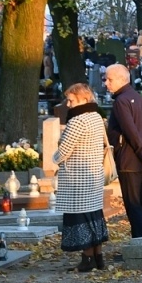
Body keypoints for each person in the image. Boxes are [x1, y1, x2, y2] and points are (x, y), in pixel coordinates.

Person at [55, 82, 110, 271]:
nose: (68, 104)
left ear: (83, 99)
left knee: (81, 217)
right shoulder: (96, 116)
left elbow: (64, 150)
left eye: (71, 100)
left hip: (78, 176)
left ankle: (87, 259)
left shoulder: (77, 120)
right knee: (94, 215)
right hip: (93, 173)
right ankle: (98, 257)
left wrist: (54, 158)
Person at [104, 63, 142, 238]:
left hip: (129, 160)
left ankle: (141, 243)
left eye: (109, 79)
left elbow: (130, 131)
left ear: (121, 79)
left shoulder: (121, 101)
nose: (106, 83)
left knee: (134, 204)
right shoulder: (137, 97)